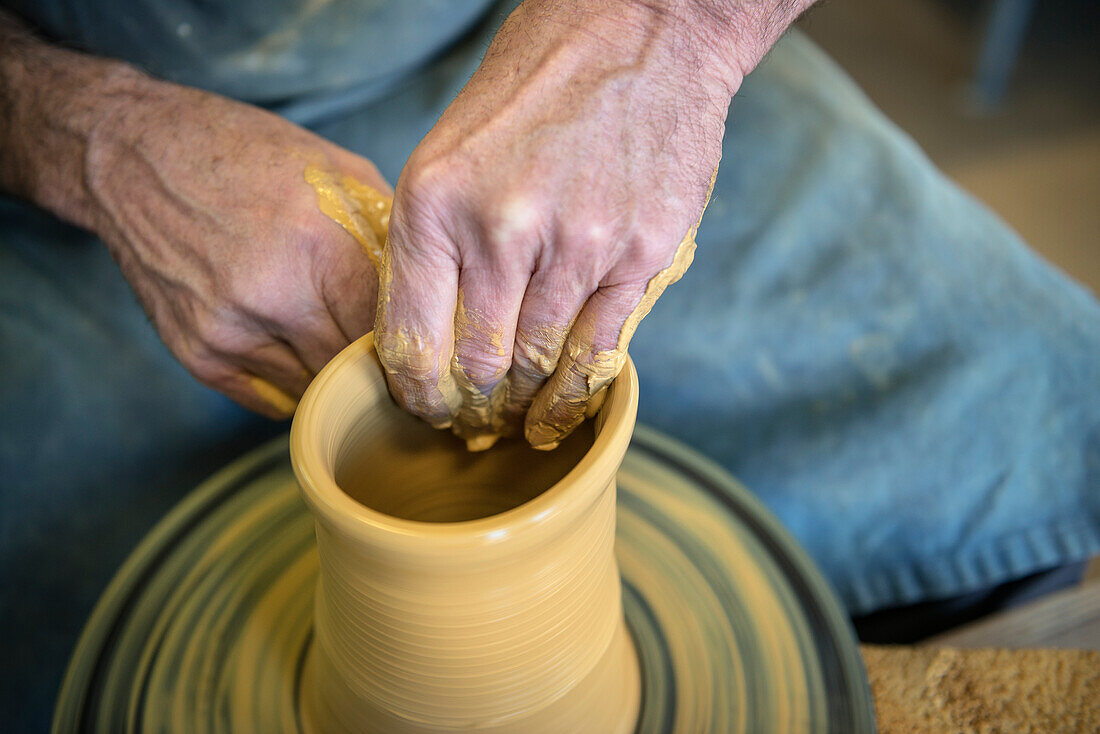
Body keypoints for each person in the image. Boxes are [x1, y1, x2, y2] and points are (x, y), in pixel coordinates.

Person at [2, 1, 1098, 730]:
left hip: (563, 60)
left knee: (1032, 391)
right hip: (74, 152)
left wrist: (673, 34)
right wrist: (86, 136)